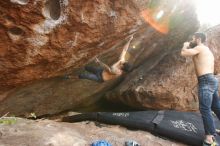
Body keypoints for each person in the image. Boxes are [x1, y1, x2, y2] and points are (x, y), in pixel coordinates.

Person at [181, 32, 220, 146]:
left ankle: (209, 139)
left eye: (193, 38)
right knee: (215, 106)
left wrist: (185, 44)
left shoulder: (200, 47)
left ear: (198, 39)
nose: (191, 40)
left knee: (205, 109)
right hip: (211, 80)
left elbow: (183, 53)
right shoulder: (207, 51)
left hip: (206, 81)